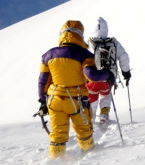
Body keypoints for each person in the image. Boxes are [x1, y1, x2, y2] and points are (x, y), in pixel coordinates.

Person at [38, 20, 111, 159]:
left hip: (55, 100)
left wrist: (42, 101)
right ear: (80, 35)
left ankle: (57, 159)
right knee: (84, 132)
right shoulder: (85, 55)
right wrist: (109, 74)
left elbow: (43, 81)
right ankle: (89, 156)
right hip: (77, 101)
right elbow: (92, 75)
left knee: (57, 134)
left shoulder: (48, 55)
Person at [85, 17, 132, 124]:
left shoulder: (89, 43)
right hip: (109, 78)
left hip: (92, 79)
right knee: (106, 95)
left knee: (91, 97)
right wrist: (126, 73)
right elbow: (124, 57)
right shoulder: (114, 43)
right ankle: (104, 114)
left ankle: (90, 119)